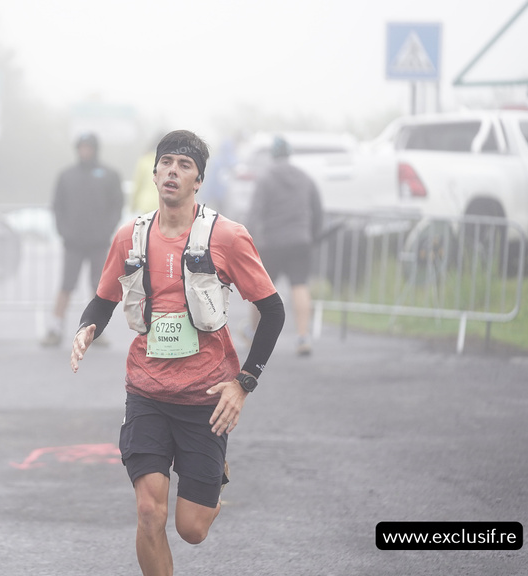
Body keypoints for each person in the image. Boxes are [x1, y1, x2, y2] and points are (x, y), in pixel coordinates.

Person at [69, 130, 285, 575]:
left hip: (206, 397)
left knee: (192, 529)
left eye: (184, 165)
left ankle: (210, 477)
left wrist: (244, 383)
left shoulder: (226, 236)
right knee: (150, 512)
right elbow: (104, 299)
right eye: (166, 162)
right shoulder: (130, 235)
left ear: (199, 180)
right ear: (154, 173)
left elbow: (273, 310)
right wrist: (86, 327)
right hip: (147, 390)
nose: (172, 170)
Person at [41, 132, 124, 347]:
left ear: (95, 149)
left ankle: (94, 332)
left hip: (98, 242)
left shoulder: (109, 174)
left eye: (88, 147)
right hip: (73, 242)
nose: (84, 151)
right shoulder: (66, 175)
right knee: (66, 286)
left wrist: (107, 230)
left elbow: (117, 206)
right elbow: (57, 206)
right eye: (81, 147)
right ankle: (55, 329)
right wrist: (63, 231)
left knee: (98, 289)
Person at [246, 135, 323, 356]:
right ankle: (303, 337)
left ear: (272, 155)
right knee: (300, 286)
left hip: (271, 243)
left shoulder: (265, 179)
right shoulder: (304, 178)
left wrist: (250, 241)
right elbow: (318, 211)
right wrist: (313, 236)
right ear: (289, 154)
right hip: (300, 241)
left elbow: (254, 214)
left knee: (260, 290)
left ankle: (254, 335)